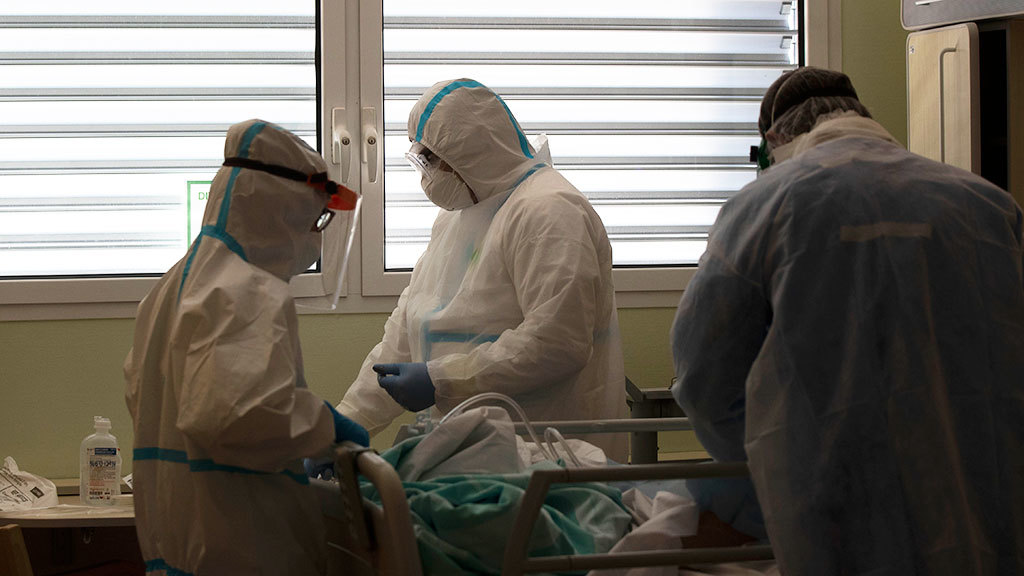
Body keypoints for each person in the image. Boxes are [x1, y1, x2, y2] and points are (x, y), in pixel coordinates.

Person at [671, 66, 1024, 575]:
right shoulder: (989, 205)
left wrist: (770, 466)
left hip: (830, 505)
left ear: (775, 140)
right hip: (984, 499)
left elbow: (704, 379)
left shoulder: (766, 206)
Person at [124, 119, 369, 576]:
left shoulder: (169, 288)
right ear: (283, 207)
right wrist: (323, 427)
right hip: (242, 548)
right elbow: (236, 418)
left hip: (179, 542)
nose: (316, 236)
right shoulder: (248, 291)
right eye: (317, 218)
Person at [337, 78, 629, 461]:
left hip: (552, 451)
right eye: (420, 160)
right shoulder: (457, 217)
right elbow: (405, 334)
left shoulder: (550, 211)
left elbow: (557, 342)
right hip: (474, 450)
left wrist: (442, 379)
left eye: (432, 160)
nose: (426, 175)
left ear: (472, 152)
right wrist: (345, 423)